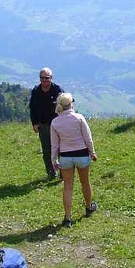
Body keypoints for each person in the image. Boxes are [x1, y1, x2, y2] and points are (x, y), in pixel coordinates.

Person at [50, 93, 98, 228]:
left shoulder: (55, 122)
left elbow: (54, 145)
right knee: (85, 183)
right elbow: (88, 138)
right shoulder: (79, 118)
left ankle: (67, 217)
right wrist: (92, 152)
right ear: (71, 103)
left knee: (68, 187)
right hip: (82, 154)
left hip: (65, 156)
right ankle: (89, 207)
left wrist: (53, 160)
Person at [29, 67, 63, 179]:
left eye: (47, 78)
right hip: (43, 126)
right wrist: (34, 123)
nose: (44, 80)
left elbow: (65, 106)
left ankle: (64, 173)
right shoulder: (36, 91)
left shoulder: (58, 90)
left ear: (51, 78)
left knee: (61, 149)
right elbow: (32, 109)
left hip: (58, 125)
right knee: (47, 150)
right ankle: (51, 173)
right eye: (42, 78)